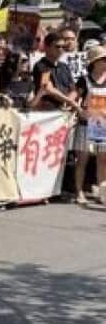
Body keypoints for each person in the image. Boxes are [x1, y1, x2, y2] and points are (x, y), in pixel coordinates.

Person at [72, 45, 106, 205]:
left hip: (103, 125)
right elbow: (72, 97)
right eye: (103, 59)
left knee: (103, 160)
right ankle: (79, 191)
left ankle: (101, 192)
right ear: (94, 62)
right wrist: (79, 109)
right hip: (86, 124)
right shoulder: (84, 80)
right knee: (82, 160)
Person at [32, 31, 79, 112]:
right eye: (57, 46)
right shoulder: (41, 66)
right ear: (47, 47)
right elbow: (48, 88)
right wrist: (68, 101)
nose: (61, 50)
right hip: (47, 111)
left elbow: (73, 89)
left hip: (65, 110)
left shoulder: (64, 66)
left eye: (63, 47)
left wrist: (68, 102)